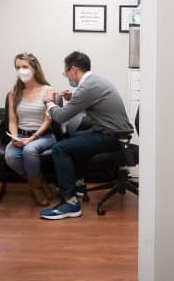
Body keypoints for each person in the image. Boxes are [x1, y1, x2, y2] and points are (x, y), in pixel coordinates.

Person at [40, 51, 133, 220]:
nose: (66, 75)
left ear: (73, 69)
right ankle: (78, 185)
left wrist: (49, 102)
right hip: (116, 134)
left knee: (59, 149)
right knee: (72, 139)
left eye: (66, 72)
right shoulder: (95, 81)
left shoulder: (88, 86)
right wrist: (73, 97)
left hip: (112, 137)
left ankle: (70, 203)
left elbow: (60, 116)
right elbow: (92, 102)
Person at [4, 52, 56, 206]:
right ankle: (39, 182)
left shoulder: (48, 90)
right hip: (20, 135)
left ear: (34, 68)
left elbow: (48, 119)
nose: (21, 71)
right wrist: (15, 137)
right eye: (18, 67)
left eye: (25, 66)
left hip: (43, 136)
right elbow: (12, 121)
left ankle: (36, 190)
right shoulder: (14, 93)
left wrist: (32, 138)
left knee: (29, 150)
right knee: (10, 157)